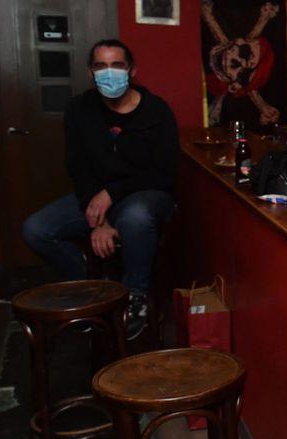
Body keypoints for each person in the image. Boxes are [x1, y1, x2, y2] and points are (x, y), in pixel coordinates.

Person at [23, 39, 178, 340]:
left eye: (117, 65)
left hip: (147, 194)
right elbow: (78, 167)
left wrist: (111, 193)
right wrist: (100, 221)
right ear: (90, 72)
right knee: (36, 229)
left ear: (132, 70)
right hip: (96, 197)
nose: (109, 73)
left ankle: (135, 298)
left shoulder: (156, 111)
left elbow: (164, 172)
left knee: (135, 217)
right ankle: (97, 290)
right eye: (100, 66)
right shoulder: (80, 109)